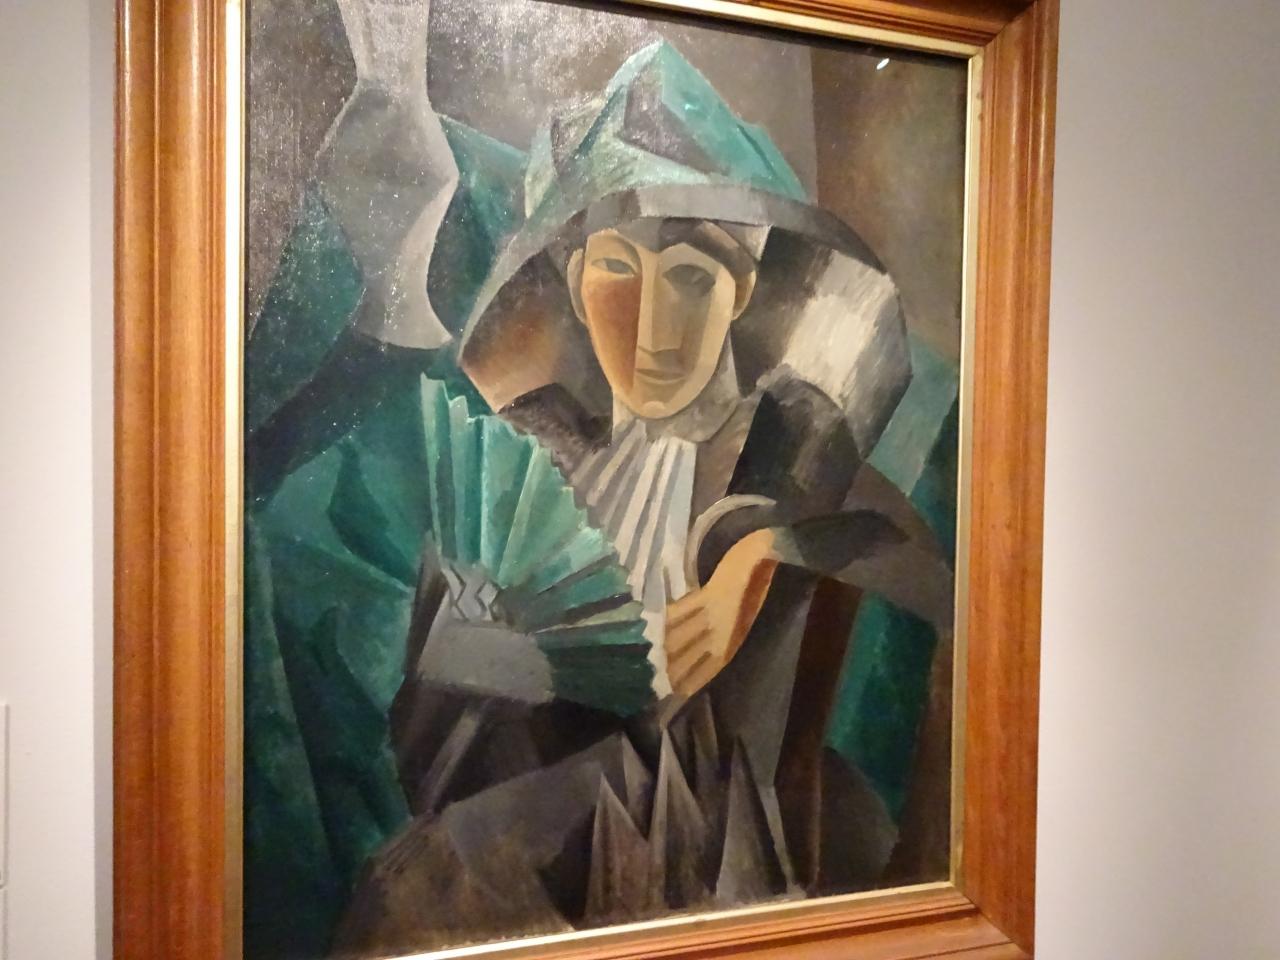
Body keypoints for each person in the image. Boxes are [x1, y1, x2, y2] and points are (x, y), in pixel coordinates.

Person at [333, 41, 953, 957]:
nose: (654, 326)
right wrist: (503, 653)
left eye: (692, 277)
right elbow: (431, 709)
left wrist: (764, 555)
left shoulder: (782, 442)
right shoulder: (535, 445)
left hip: (721, 851)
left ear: (741, 291)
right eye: (619, 271)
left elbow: (931, 571)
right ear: (575, 283)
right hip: (540, 830)